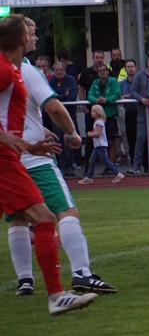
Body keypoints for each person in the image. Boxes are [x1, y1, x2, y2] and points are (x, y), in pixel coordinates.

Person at [8, 15, 117, 296]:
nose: (34, 37)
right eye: (30, 32)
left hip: (13, 156)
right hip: (30, 158)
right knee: (63, 213)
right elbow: (54, 107)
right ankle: (81, 272)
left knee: (20, 218)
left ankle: (25, 279)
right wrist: (73, 135)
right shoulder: (24, 70)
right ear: (20, 38)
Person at [79, 104, 125, 184]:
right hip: (98, 145)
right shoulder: (98, 122)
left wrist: (90, 134)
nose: (91, 113)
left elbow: (98, 134)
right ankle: (89, 177)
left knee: (106, 161)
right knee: (91, 161)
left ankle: (118, 173)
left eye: (94, 111)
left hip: (100, 145)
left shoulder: (98, 122)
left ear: (98, 112)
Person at [130, 53, 149, 174]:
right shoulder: (139, 76)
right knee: (141, 137)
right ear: (147, 63)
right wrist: (141, 99)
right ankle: (136, 166)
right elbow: (133, 91)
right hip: (142, 112)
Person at [48, 59, 78, 176]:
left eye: (61, 70)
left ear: (64, 70)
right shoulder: (51, 81)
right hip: (55, 117)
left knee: (69, 140)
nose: (59, 72)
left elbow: (72, 96)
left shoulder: (70, 80)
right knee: (58, 141)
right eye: (57, 70)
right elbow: (50, 97)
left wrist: (59, 98)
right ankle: (61, 167)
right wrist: (63, 96)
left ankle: (70, 167)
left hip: (68, 115)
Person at [87, 63, 122, 165]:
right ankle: (105, 163)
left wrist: (107, 100)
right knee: (101, 141)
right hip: (99, 118)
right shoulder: (95, 83)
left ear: (107, 71)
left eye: (104, 70)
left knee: (111, 140)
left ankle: (111, 163)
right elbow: (89, 95)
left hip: (110, 115)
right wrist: (96, 100)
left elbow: (117, 94)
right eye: (100, 71)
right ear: (97, 73)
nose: (102, 72)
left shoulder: (113, 81)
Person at [118, 58, 138, 166]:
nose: (130, 69)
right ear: (125, 69)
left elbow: (140, 93)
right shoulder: (121, 84)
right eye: (128, 67)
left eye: (132, 67)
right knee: (129, 136)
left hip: (139, 112)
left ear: (136, 68)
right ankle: (132, 160)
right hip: (127, 113)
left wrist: (127, 96)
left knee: (140, 137)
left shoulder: (139, 81)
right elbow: (119, 96)